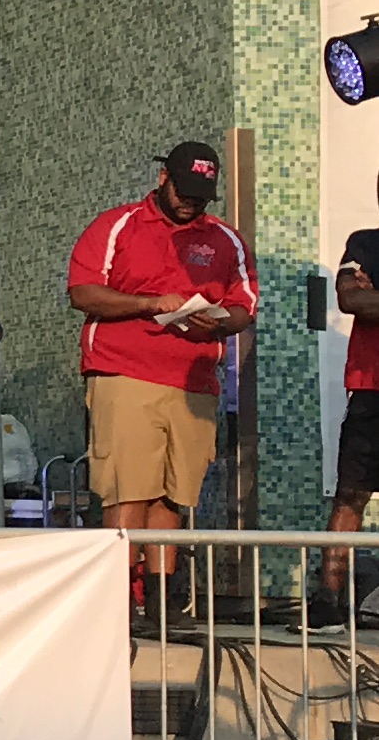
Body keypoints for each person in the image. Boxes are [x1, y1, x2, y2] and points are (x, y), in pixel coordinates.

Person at [66, 142, 255, 622]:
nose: (192, 203)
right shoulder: (119, 225)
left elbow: (244, 304)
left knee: (173, 491)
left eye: (202, 196)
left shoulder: (223, 239)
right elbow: (84, 292)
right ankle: (118, 599)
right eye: (184, 192)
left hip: (193, 379)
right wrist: (150, 304)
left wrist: (221, 321)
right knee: (129, 488)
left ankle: (162, 600)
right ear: (162, 180)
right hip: (125, 370)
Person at [324, 197, 379, 619]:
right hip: (371, 389)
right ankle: (329, 599)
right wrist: (365, 296)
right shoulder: (364, 243)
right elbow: (351, 300)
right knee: (350, 495)